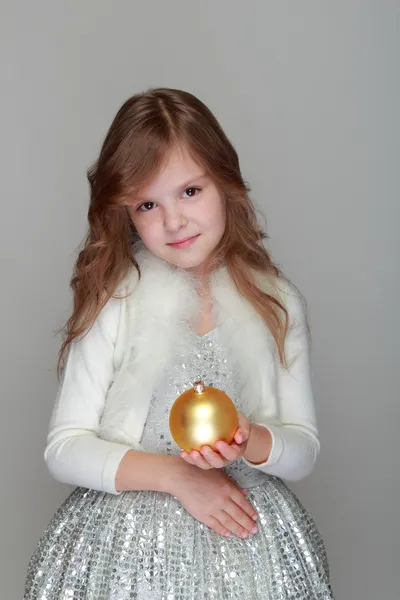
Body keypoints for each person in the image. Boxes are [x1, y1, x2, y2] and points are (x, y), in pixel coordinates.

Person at [24, 88, 334, 599]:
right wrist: (179, 477)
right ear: (126, 213)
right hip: (127, 550)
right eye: (148, 204)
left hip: (247, 539)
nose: (173, 221)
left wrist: (250, 438)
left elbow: (302, 452)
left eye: (191, 191)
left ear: (226, 183)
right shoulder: (117, 300)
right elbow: (65, 449)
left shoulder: (276, 302)